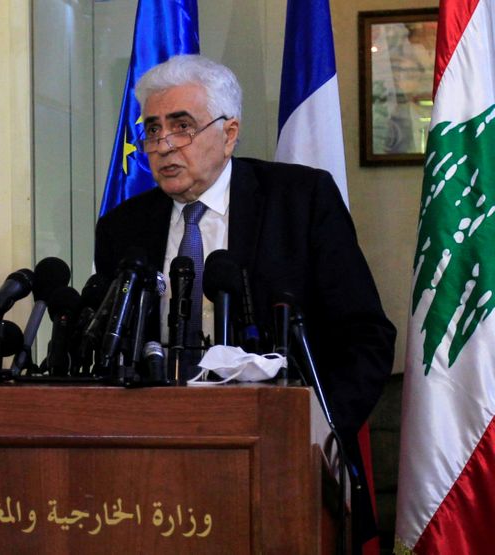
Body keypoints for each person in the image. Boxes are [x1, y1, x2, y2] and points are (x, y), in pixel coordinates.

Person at [94, 55, 396, 550]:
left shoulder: (301, 200)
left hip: (284, 462)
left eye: (182, 126)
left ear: (229, 133)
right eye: (152, 129)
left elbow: (366, 337)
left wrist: (313, 432)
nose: (163, 144)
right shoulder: (121, 228)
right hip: (156, 470)